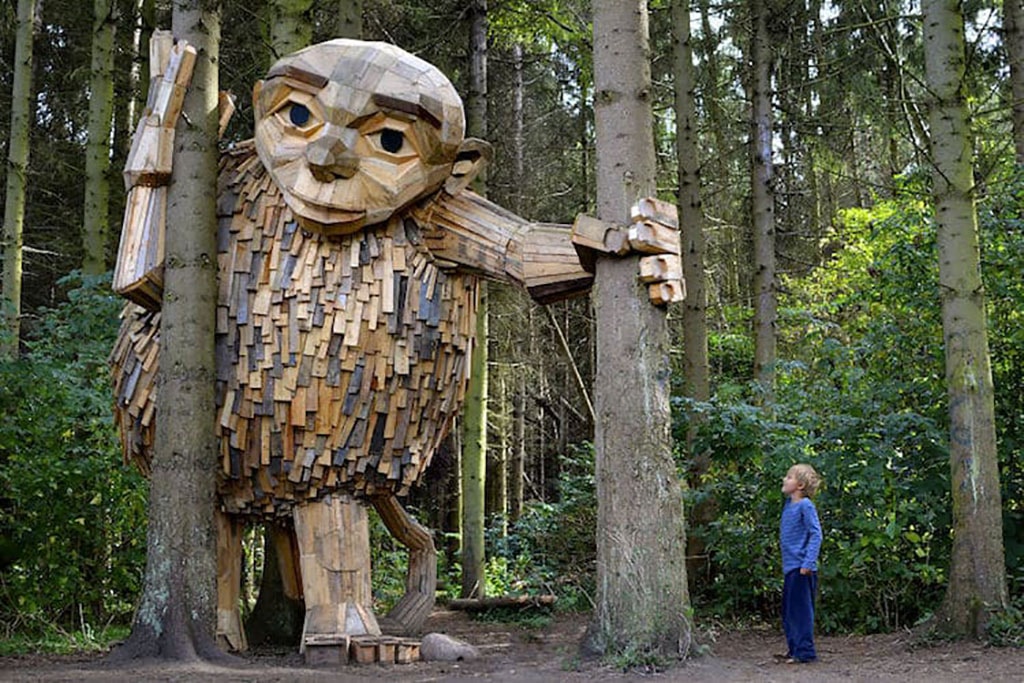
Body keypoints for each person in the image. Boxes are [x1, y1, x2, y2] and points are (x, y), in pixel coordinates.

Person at [779, 463, 823, 664]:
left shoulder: (806, 506)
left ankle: (805, 652)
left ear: (800, 485)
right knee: (789, 611)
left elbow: (816, 534)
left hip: (802, 568)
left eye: (789, 477)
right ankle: (794, 648)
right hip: (790, 568)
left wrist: (808, 562)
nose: (784, 479)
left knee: (801, 611)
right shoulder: (789, 506)